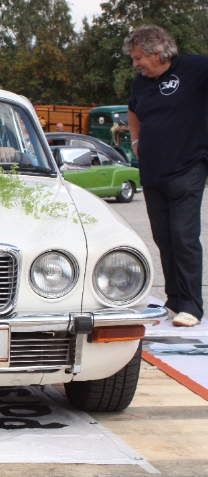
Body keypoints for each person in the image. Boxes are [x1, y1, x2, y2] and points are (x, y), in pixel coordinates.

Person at [125, 25, 208, 327]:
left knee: (184, 237)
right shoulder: (140, 83)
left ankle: (192, 307)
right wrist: (135, 142)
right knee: (164, 238)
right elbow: (132, 111)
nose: (135, 64)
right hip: (153, 172)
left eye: (138, 58)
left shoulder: (194, 68)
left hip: (188, 167)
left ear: (156, 53)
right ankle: (173, 301)